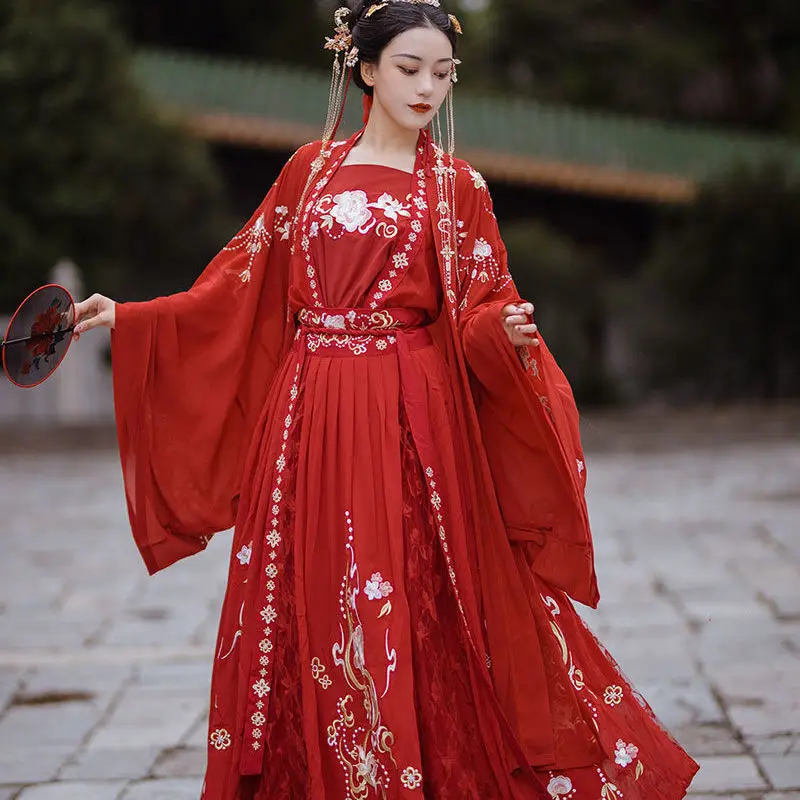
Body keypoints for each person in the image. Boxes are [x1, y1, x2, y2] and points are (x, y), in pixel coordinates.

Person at [74, 1, 699, 797]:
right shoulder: (310, 169)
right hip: (307, 412)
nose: (428, 86)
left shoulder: (456, 186)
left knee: (420, 587)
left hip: (413, 417)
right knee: (314, 590)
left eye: (443, 72)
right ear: (365, 69)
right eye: (410, 68)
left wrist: (500, 328)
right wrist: (127, 318)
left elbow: (476, 302)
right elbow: (238, 284)